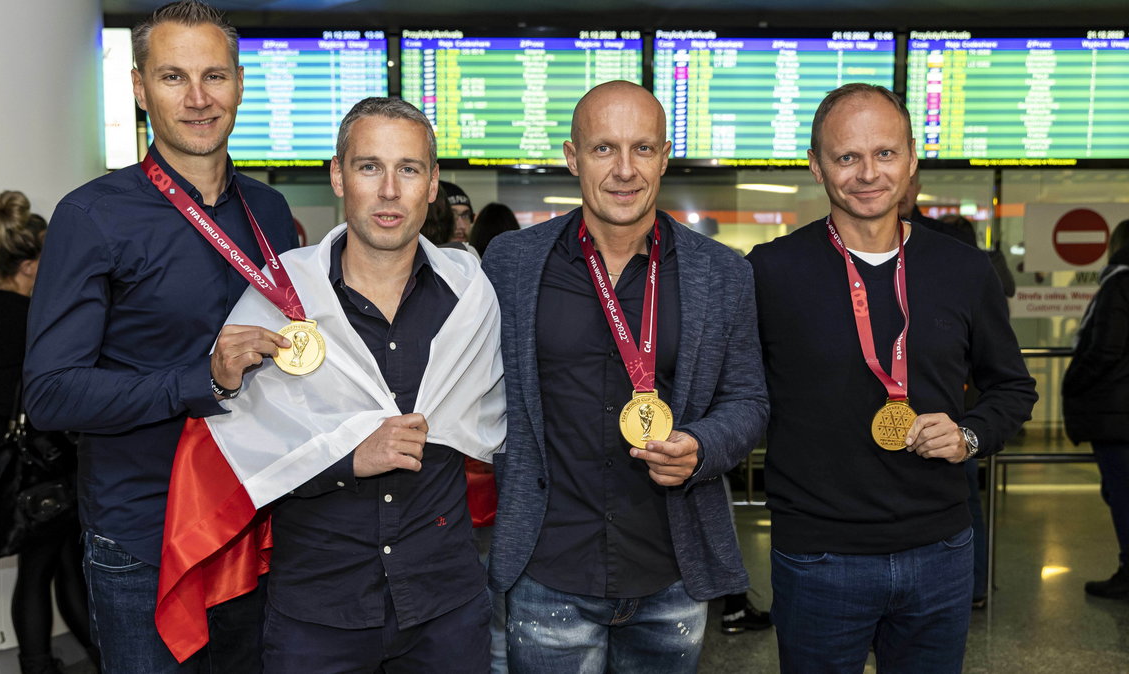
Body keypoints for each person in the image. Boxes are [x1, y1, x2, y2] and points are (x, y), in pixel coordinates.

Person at [22, 2, 298, 672]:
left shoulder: (269, 211)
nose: (199, 98)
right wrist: (196, 378)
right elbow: (51, 393)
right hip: (146, 539)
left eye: (216, 76)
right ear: (141, 88)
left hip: (257, 526)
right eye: (174, 78)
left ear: (239, 83)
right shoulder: (93, 215)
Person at [193, 96, 503, 672]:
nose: (389, 190)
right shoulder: (279, 296)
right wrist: (347, 456)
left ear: (432, 184)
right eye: (368, 167)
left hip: (445, 607)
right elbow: (244, 446)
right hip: (319, 610)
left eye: (408, 169)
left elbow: (508, 422)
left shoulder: (474, 298)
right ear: (338, 175)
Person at [747, 83, 1038, 672]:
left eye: (884, 154)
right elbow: (735, 391)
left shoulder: (964, 269)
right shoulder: (770, 272)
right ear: (816, 167)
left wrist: (969, 435)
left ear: (910, 161)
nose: (867, 173)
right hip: (819, 557)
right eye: (846, 156)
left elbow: (1012, 387)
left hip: (942, 551)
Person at [483, 80, 769, 672]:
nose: (624, 170)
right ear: (571, 157)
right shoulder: (510, 264)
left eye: (642, 149)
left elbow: (748, 400)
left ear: (664, 157)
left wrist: (702, 445)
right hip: (547, 567)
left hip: (671, 570)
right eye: (603, 149)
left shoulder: (721, 273)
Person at [0, 190, 97, 674]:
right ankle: (47, 664)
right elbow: (24, 396)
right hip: (42, 463)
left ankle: (62, 663)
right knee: (50, 571)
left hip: (13, 461)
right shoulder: (27, 316)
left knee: (52, 570)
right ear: (27, 266)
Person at [1064, 219, 1129, 600]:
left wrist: (1073, 381)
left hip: (1117, 413)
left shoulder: (1118, 282)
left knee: (1121, 492)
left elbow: (1104, 348)